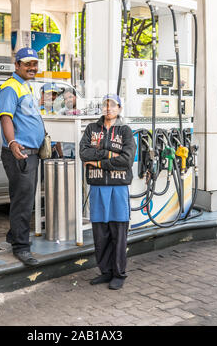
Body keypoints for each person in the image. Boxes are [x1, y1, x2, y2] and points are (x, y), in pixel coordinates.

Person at [79, 94, 136, 290]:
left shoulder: (126, 131)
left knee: (118, 232)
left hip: (118, 188)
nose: (109, 108)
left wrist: (98, 162)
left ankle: (119, 273)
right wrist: (109, 154)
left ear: (119, 108)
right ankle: (105, 272)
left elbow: (127, 160)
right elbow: (83, 153)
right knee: (100, 233)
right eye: (105, 105)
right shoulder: (91, 129)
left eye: (113, 105)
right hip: (97, 188)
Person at [0, 47, 45, 267]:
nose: (32, 67)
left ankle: (14, 235)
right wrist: (13, 142)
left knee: (22, 198)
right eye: (27, 64)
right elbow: (6, 118)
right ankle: (21, 247)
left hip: (31, 153)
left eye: (34, 63)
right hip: (20, 152)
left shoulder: (25, 86)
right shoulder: (10, 87)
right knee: (23, 201)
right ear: (17, 65)